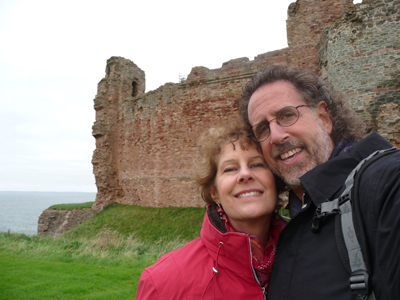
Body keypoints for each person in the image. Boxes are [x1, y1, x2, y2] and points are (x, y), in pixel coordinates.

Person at [238, 64, 400, 300]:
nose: (275, 136)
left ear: (323, 117)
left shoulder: (387, 183)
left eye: (287, 115)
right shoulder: (295, 215)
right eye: (263, 128)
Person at [135, 120, 287, 300]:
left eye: (257, 164)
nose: (245, 174)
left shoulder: (313, 257)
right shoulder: (163, 282)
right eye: (230, 169)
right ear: (214, 192)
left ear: (275, 181)